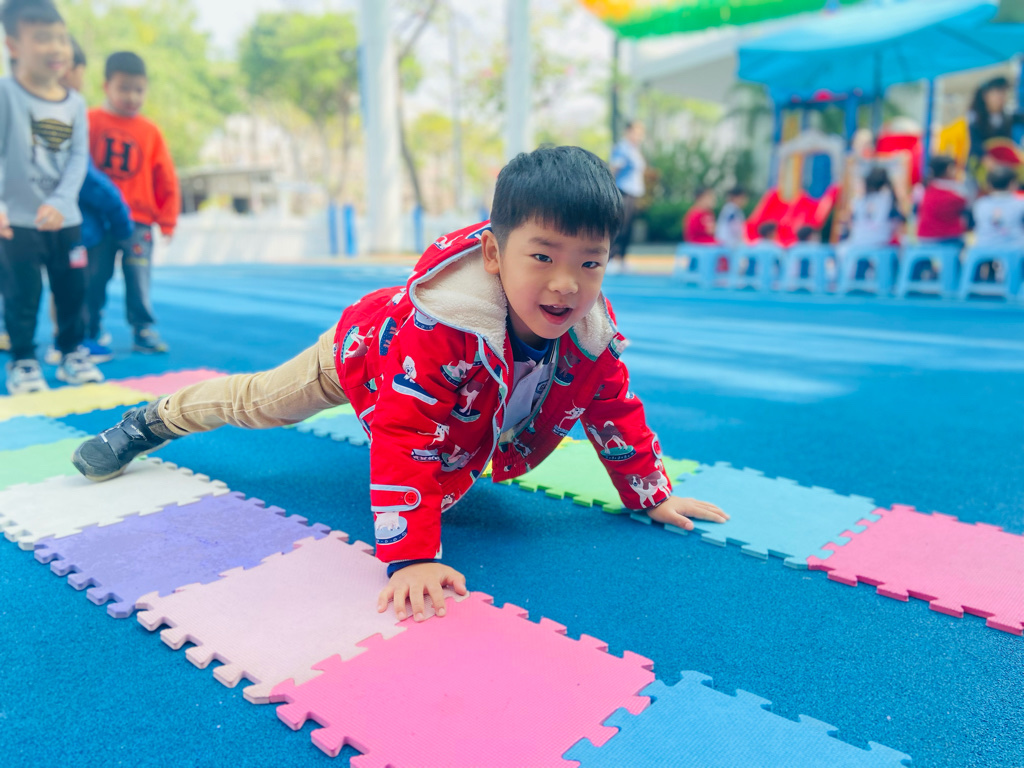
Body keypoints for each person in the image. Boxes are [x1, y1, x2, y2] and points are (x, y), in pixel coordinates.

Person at [71, 146, 729, 621]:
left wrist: (650, 493)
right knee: (261, 404)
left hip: (446, 396)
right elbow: (406, 432)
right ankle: (153, 418)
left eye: (590, 263)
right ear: (495, 254)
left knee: (444, 459)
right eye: (542, 257)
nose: (566, 284)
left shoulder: (588, 332)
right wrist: (411, 557)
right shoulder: (443, 328)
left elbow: (612, 407)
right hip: (361, 355)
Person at [0, 0, 102, 394]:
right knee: (22, 294)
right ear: (13, 45)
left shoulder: (75, 103)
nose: (56, 47)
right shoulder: (6, 94)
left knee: (73, 290)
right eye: (42, 38)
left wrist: (60, 202)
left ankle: (72, 352)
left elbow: (78, 158)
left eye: (61, 38)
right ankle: (24, 360)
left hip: (65, 220)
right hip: (19, 222)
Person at [43, 36, 133, 365]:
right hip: (81, 227)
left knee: (65, 283)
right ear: (71, 70)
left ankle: (68, 338)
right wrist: (121, 219)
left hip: (61, 220)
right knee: (81, 285)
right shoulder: (62, 111)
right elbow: (85, 176)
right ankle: (72, 342)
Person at [85, 50, 179, 355]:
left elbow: (166, 176)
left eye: (139, 90)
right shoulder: (89, 121)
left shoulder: (151, 131)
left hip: (138, 221)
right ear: (106, 86)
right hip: (98, 220)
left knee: (139, 277)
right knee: (93, 277)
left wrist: (167, 219)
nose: (132, 96)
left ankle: (143, 329)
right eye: (124, 88)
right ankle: (90, 329)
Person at [971, 166, 1024, 282]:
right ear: (1013, 184)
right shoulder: (1020, 203)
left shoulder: (980, 203)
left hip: (983, 246)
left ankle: (989, 276)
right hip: (1014, 247)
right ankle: (1018, 281)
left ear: (989, 185)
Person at [607, 120, 645, 273]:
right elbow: (614, 168)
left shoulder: (634, 149)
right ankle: (611, 258)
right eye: (636, 132)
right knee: (620, 226)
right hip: (623, 190)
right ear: (628, 132)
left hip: (633, 192)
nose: (639, 136)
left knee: (628, 227)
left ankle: (622, 258)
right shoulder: (622, 148)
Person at [916, 155, 968, 246]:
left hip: (924, 237)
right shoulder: (956, 192)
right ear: (949, 169)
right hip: (947, 238)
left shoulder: (923, 188)